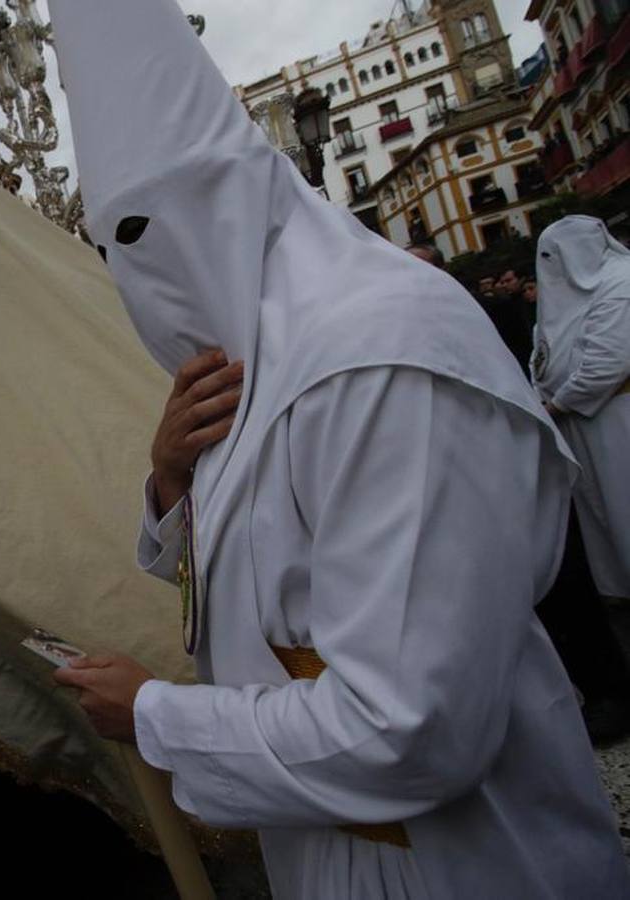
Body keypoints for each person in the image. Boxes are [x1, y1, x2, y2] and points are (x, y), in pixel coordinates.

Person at [46, 1, 629, 897]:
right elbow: (255, 589)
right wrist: (172, 484)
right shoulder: (258, 358)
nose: (141, 275)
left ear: (235, 197)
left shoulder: (379, 355)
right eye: (112, 246)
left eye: (149, 230)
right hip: (323, 835)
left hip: (461, 859)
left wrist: (157, 715)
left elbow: (413, 727)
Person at [533, 216, 630, 602]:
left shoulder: (621, 284)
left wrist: (557, 404)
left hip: (616, 416)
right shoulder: (572, 292)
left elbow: (609, 362)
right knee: (603, 511)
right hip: (578, 423)